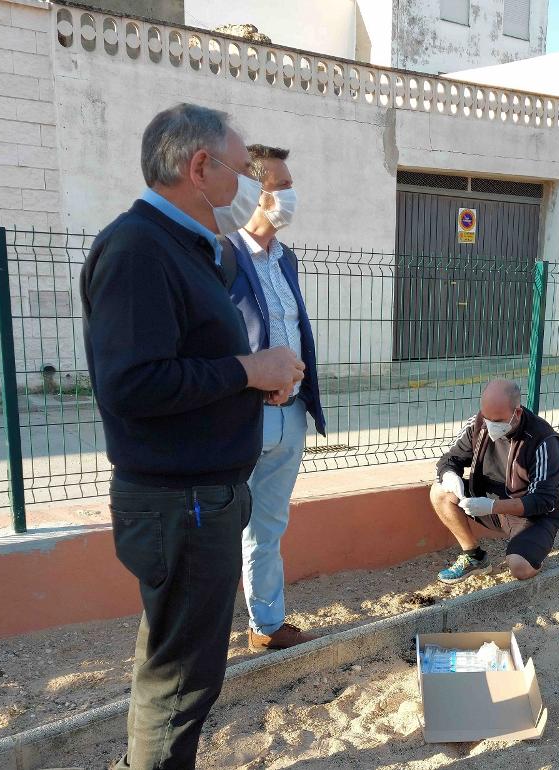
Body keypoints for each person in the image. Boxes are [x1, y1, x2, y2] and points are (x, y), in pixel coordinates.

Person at [81, 103, 305, 769]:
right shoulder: (137, 250)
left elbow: (181, 364)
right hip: (180, 502)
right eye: (241, 172)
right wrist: (247, 368)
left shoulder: (185, 247)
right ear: (199, 166)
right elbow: (131, 385)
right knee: (179, 679)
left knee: (183, 668)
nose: (249, 191)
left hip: (201, 496)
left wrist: (248, 382)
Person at [222, 144, 328, 652]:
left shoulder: (286, 259)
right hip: (242, 418)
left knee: (268, 527)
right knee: (221, 525)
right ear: (254, 193)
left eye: (289, 185)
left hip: (291, 414)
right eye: (281, 187)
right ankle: (203, 631)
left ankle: (265, 626)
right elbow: (216, 339)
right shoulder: (223, 255)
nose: (291, 196)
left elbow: (288, 327)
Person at [430, 379, 559, 583]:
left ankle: (533, 549)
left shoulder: (544, 441)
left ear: (517, 413)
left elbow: (543, 500)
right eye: (487, 418)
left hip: (532, 515)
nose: (490, 425)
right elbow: (450, 459)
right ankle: (474, 557)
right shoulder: (477, 425)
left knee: (520, 567)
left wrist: (493, 506)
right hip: (486, 504)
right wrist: (449, 474)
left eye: (498, 421)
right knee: (439, 491)